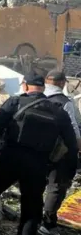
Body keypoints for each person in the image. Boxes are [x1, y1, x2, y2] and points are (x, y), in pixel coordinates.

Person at [0, 72, 79, 235]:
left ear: (25, 85)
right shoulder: (59, 112)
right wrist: (70, 168)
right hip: (38, 165)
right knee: (31, 207)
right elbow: (72, 144)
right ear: (43, 88)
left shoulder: (15, 102)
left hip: (10, 159)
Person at [39, 70, 81, 235]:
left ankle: (31, 219)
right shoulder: (65, 102)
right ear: (63, 83)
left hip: (33, 150)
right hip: (59, 152)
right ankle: (47, 224)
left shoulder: (30, 98)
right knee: (56, 186)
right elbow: (74, 129)